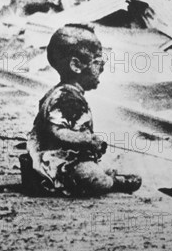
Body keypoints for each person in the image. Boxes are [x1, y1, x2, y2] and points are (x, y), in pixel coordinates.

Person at [21, 23, 142, 197]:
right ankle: (114, 183)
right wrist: (86, 140)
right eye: (98, 61)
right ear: (76, 65)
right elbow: (57, 131)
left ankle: (110, 178)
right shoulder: (66, 97)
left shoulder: (69, 94)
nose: (103, 67)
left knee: (96, 168)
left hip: (69, 156)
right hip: (55, 160)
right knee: (93, 177)